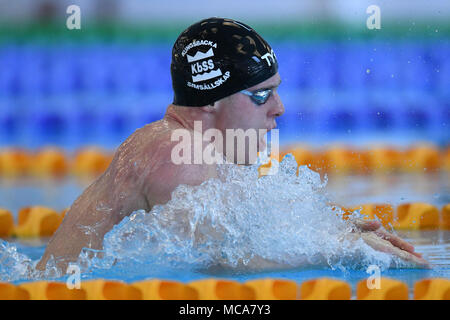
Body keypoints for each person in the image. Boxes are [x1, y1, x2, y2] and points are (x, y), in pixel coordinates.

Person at [36, 17, 429, 272]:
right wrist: (343, 250)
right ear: (211, 100)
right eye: (261, 95)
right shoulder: (177, 154)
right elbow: (221, 260)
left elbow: (237, 230)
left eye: (276, 92)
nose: (279, 108)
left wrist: (329, 228)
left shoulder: (180, 143)